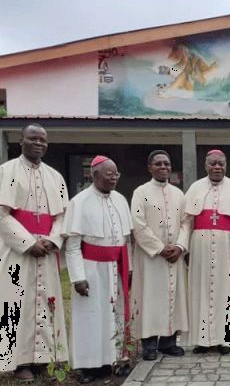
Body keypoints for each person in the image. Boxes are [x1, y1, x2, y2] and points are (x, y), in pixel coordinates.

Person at [0, 124, 69, 381]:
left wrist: (52, 240)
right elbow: (1, 214)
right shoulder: (6, 171)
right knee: (18, 301)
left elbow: (63, 215)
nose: (38, 143)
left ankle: (45, 358)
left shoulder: (56, 177)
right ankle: (19, 363)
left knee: (47, 301)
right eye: (33, 139)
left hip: (47, 250)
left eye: (43, 140)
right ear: (21, 141)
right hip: (17, 251)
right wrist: (28, 243)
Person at [63, 156, 133, 384]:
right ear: (94, 175)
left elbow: (126, 240)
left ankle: (113, 359)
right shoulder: (80, 201)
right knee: (90, 318)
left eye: (116, 174)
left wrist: (128, 268)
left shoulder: (121, 199)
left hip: (116, 267)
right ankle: (89, 366)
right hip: (91, 269)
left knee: (114, 315)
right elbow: (72, 246)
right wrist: (77, 277)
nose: (113, 178)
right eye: (109, 174)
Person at [175, 150, 230, 355]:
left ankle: (225, 340)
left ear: (226, 165)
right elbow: (186, 221)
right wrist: (184, 246)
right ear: (205, 166)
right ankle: (203, 340)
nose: (217, 167)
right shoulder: (195, 187)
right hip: (200, 246)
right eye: (213, 164)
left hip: (228, 245)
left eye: (221, 164)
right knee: (200, 291)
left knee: (224, 292)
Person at [130, 150, 188, 361]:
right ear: (150, 168)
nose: (163, 167)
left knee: (172, 297)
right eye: (158, 164)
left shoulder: (179, 194)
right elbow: (138, 224)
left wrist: (180, 246)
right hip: (151, 257)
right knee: (150, 298)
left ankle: (169, 342)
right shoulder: (140, 192)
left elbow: (186, 222)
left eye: (167, 164)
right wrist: (160, 248)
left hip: (175, 256)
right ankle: (149, 343)